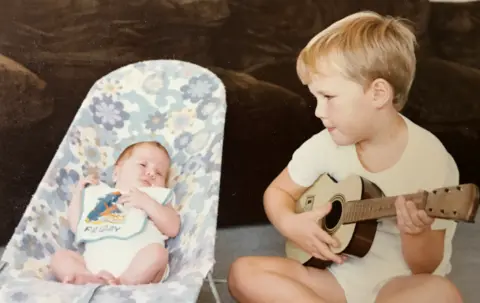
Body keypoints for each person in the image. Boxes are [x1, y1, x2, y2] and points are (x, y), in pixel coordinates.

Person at [227, 11, 463, 303]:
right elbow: (278, 191)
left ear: (378, 94)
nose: (318, 111)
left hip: (397, 286)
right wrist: (290, 223)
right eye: (316, 98)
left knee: (441, 294)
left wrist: (416, 231)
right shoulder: (325, 144)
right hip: (334, 278)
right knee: (243, 273)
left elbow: (424, 267)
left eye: (328, 97)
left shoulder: (430, 160)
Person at [50, 141, 181, 285]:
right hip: (93, 267)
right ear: (116, 173)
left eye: (159, 173)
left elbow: (173, 227)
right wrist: (78, 194)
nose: (151, 173)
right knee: (60, 257)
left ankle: (121, 283)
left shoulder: (157, 197)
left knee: (158, 254)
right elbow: (77, 226)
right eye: (143, 165)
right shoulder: (100, 194)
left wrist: (147, 202)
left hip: (139, 268)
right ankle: (87, 278)